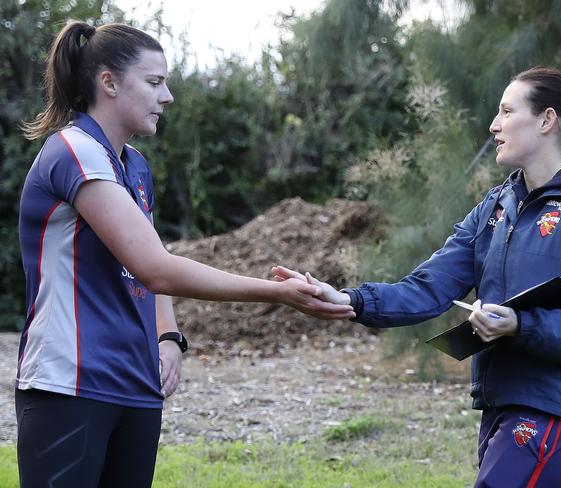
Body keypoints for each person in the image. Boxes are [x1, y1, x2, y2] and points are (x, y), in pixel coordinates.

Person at [15, 21, 354, 488]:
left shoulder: (134, 165)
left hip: (136, 384)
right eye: (154, 82)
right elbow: (156, 269)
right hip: (69, 382)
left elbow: (152, 256)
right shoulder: (74, 152)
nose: (168, 95)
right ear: (108, 82)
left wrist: (169, 337)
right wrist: (277, 293)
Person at [274, 67, 561, 487]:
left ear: (546, 120)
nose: (493, 124)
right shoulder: (496, 206)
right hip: (500, 402)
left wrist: (521, 324)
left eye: (505, 111)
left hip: (557, 405)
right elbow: (430, 287)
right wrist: (350, 300)